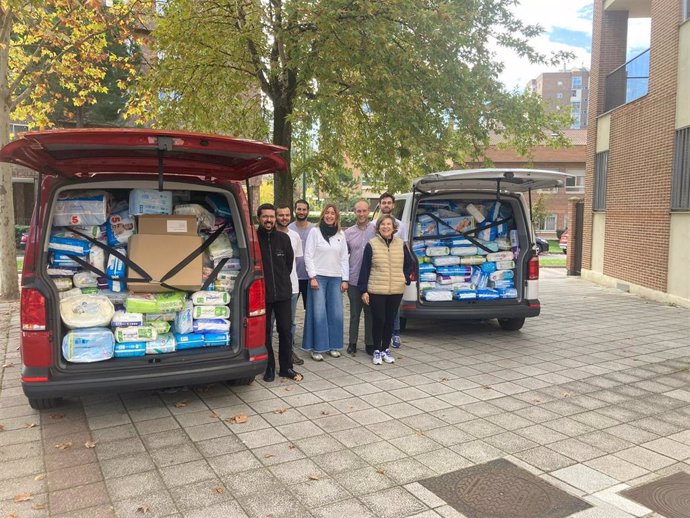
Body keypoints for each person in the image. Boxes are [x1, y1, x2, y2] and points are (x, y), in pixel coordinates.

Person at [358, 214, 415, 366]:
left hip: (396, 289)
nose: (386, 227)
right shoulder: (372, 244)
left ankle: (385, 349)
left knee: (390, 320)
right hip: (376, 290)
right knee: (379, 320)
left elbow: (409, 263)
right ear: (378, 227)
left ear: (393, 227)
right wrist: (363, 290)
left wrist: (405, 278)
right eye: (383, 224)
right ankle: (376, 350)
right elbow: (365, 268)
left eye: (388, 224)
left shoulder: (400, 244)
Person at [255, 203, 302, 382]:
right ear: (259, 218)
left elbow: (289, 264)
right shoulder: (254, 239)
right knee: (265, 332)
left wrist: (280, 281)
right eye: (265, 216)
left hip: (283, 293)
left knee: (285, 331)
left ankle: (286, 368)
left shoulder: (283, 239)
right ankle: (269, 368)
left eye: (271, 217)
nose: (269, 220)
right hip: (262, 295)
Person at [302, 203, 349, 361]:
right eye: (327, 213)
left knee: (336, 313)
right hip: (319, 278)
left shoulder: (341, 235)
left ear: (336, 217)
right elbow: (308, 255)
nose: (329, 216)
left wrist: (345, 279)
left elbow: (344, 258)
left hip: (336, 278)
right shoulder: (314, 232)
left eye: (332, 213)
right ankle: (317, 348)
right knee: (319, 313)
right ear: (323, 215)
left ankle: (334, 346)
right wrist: (313, 276)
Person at [274, 204, 304, 366]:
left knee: (290, 322)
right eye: (281, 215)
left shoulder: (295, 236)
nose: (284, 218)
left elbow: (296, 262)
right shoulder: (268, 235)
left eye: (286, 215)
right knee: (270, 322)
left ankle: (289, 351)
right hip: (272, 287)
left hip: (291, 286)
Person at [344, 199, 375, 356]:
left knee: (370, 313)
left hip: (373, 279)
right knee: (355, 314)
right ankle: (352, 342)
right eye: (358, 211)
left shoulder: (376, 230)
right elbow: (343, 257)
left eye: (364, 211)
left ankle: (370, 343)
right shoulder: (348, 233)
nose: (361, 214)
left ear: (368, 211)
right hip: (354, 279)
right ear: (354, 212)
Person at [377, 192, 408, 349]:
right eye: (384, 202)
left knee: (393, 306)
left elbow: (405, 247)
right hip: (379, 271)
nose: (386, 205)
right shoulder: (373, 224)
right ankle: (379, 337)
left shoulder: (401, 225)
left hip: (395, 270)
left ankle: (395, 334)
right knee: (381, 308)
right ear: (380, 205)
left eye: (389, 202)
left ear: (393, 205)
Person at [288, 199, 313, 310]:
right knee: (289, 310)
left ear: (308, 211)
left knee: (310, 311)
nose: (301, 212)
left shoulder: (315, 229)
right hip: (293, 277)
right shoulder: (288, 229)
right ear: (295, 210)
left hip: (310, 277)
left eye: (304, 209)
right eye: (299, 209)